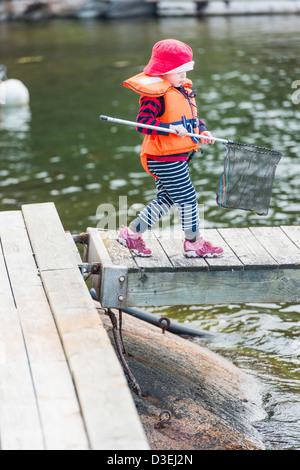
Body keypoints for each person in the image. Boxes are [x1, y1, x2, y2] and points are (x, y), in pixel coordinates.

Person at [117, 39, 223, 258]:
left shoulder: (181, 89)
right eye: (178, 73)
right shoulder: (155, 95)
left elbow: (192, 118)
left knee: (167, 199)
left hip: (175, 157)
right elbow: (142, 123)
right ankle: (193, 244)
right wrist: (170, 129)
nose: (183, 77)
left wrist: (202, 132)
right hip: (164, 159)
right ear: (163, 72)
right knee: (188, 199)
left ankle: (131, 234)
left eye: (185, 72)